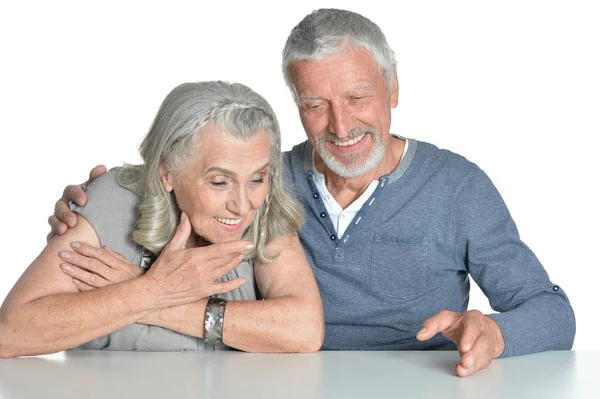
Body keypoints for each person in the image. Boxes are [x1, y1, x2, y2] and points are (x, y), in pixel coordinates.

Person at [44, 9, 575, 376]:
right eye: (315, 104)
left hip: (423, 381)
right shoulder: (259, 181)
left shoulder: (458, 186)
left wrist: (495, 333)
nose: (340, 125)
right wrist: (105, 199)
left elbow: (553, 312)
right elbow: (175, 181)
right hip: (267, 379)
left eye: (358, 97)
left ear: (392, 88)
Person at [0, 81, 324, 358]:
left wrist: (157, 298)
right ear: (168, 171)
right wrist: (152, 290)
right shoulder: (112, 197)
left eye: (256, 178)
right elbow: (11, 332)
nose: (241, 205)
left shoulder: (262, 208)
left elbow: (304, 329)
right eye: (218, 181)